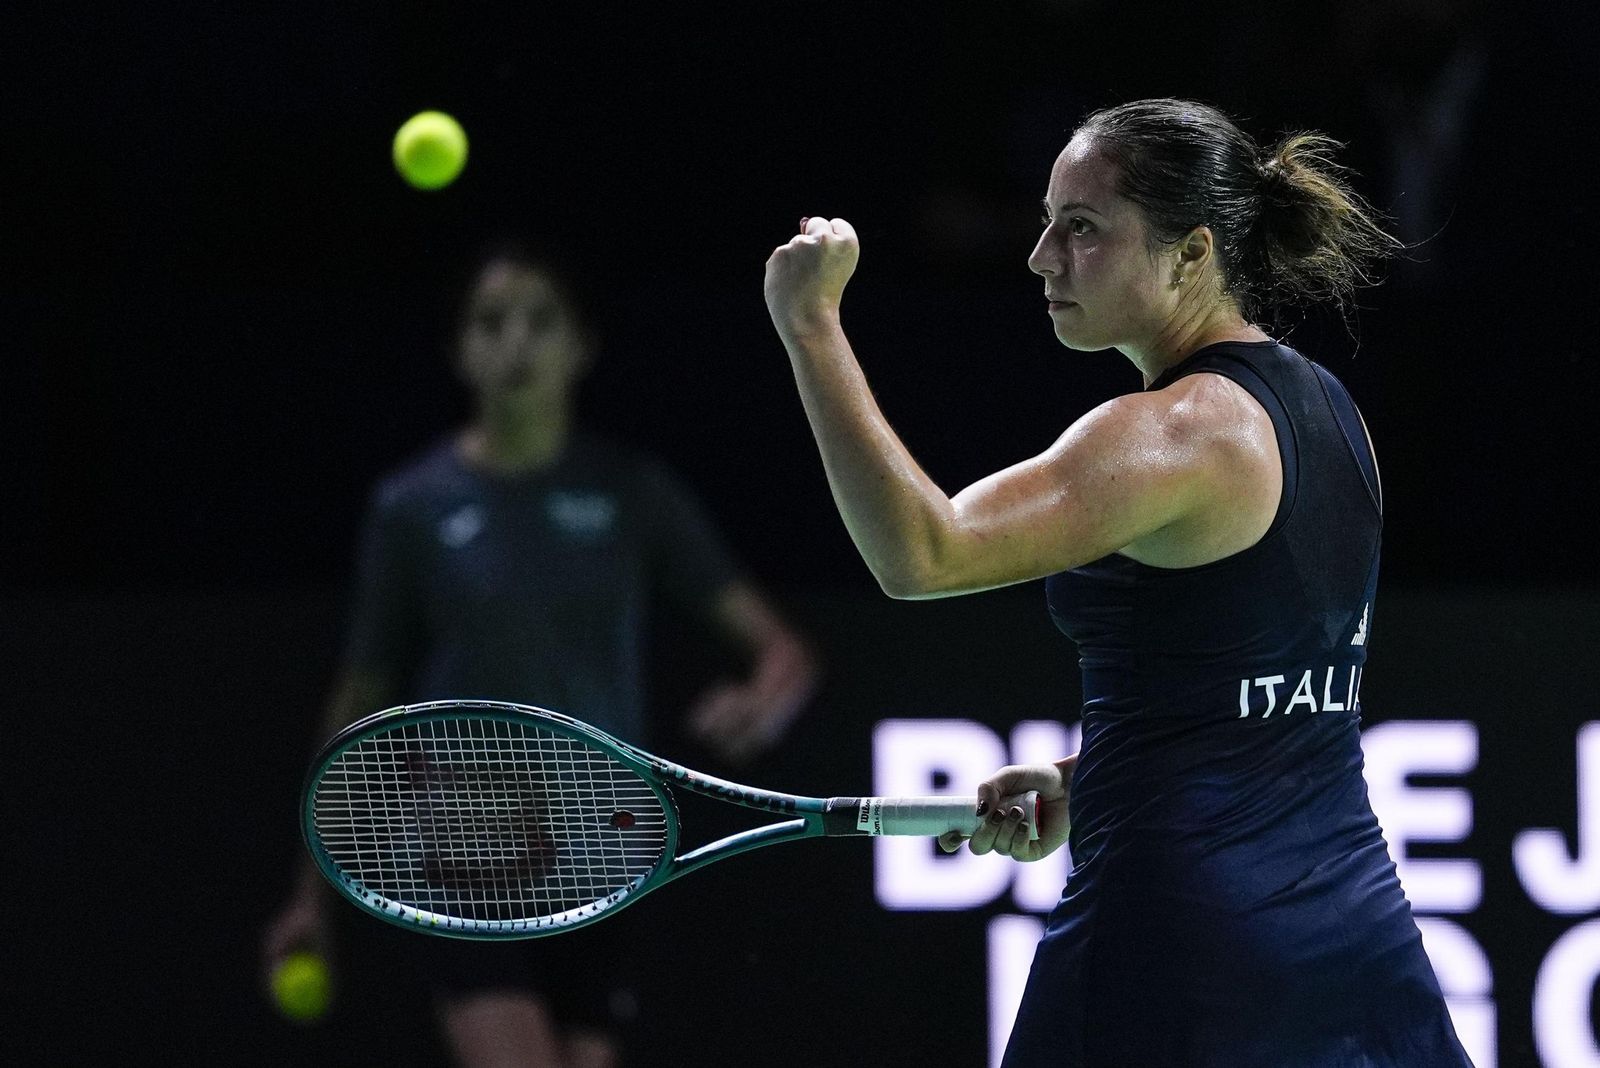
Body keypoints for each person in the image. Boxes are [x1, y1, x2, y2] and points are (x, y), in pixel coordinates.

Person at [763, 99, 1473, 1066]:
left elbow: (923, 554)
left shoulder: (1173, 433)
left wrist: (811, 327)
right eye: (1048, 221)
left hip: (1181, 951)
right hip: (1359, 946)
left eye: (1083, 228)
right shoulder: (1331, 409)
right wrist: (1092, 779)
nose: (1041, 256)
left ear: (1192, 253)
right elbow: (1259, 691)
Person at [264, 244, 818, 1067]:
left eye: (540, 321)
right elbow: (360, 699)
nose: (516, 342)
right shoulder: (412, 507)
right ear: (460, 352)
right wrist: (310, 893)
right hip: (462, 857)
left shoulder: (633, 491)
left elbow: (781, 651)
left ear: (580, 346)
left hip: (601, 859)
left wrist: (762, 700)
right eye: (491, 323)